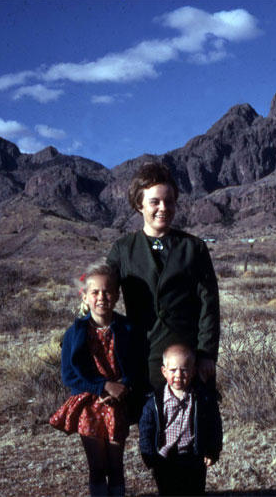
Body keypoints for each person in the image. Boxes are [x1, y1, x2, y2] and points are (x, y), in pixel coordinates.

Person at [106, 161, 220, 391]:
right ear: (139, 205)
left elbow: (209, 304)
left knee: (193, 423)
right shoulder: (123, 249)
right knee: (150, 421)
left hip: (187, 359)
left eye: (169, 201)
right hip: (142, 354)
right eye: (154, 202)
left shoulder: (193, 247)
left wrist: (207, 354)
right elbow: (102, 292)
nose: (163, 207)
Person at [49, 263, 142, 496]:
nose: (102, 297)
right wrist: (102, 386)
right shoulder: (76, 331)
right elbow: (69, 375)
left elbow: (137, 364)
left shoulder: (127, 328)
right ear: (85, 296)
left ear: (117, 295)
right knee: (97, 467)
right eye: (95, 292)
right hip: (89, 406)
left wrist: (123, 386)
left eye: (108, 291)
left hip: (117, 404)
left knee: (116, 466)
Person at [139, 344, 223, 496]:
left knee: (194, 491)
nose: (178, 375)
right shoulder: (154, 401)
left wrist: (212, 451)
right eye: (173, 370)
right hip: (164, 460)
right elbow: (146, 429)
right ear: (164, 371)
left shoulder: (202, 399)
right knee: (167, 491)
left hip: (193, 458)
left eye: (184, 370)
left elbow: (214, 425)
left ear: (193, 372)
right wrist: (149, 455)